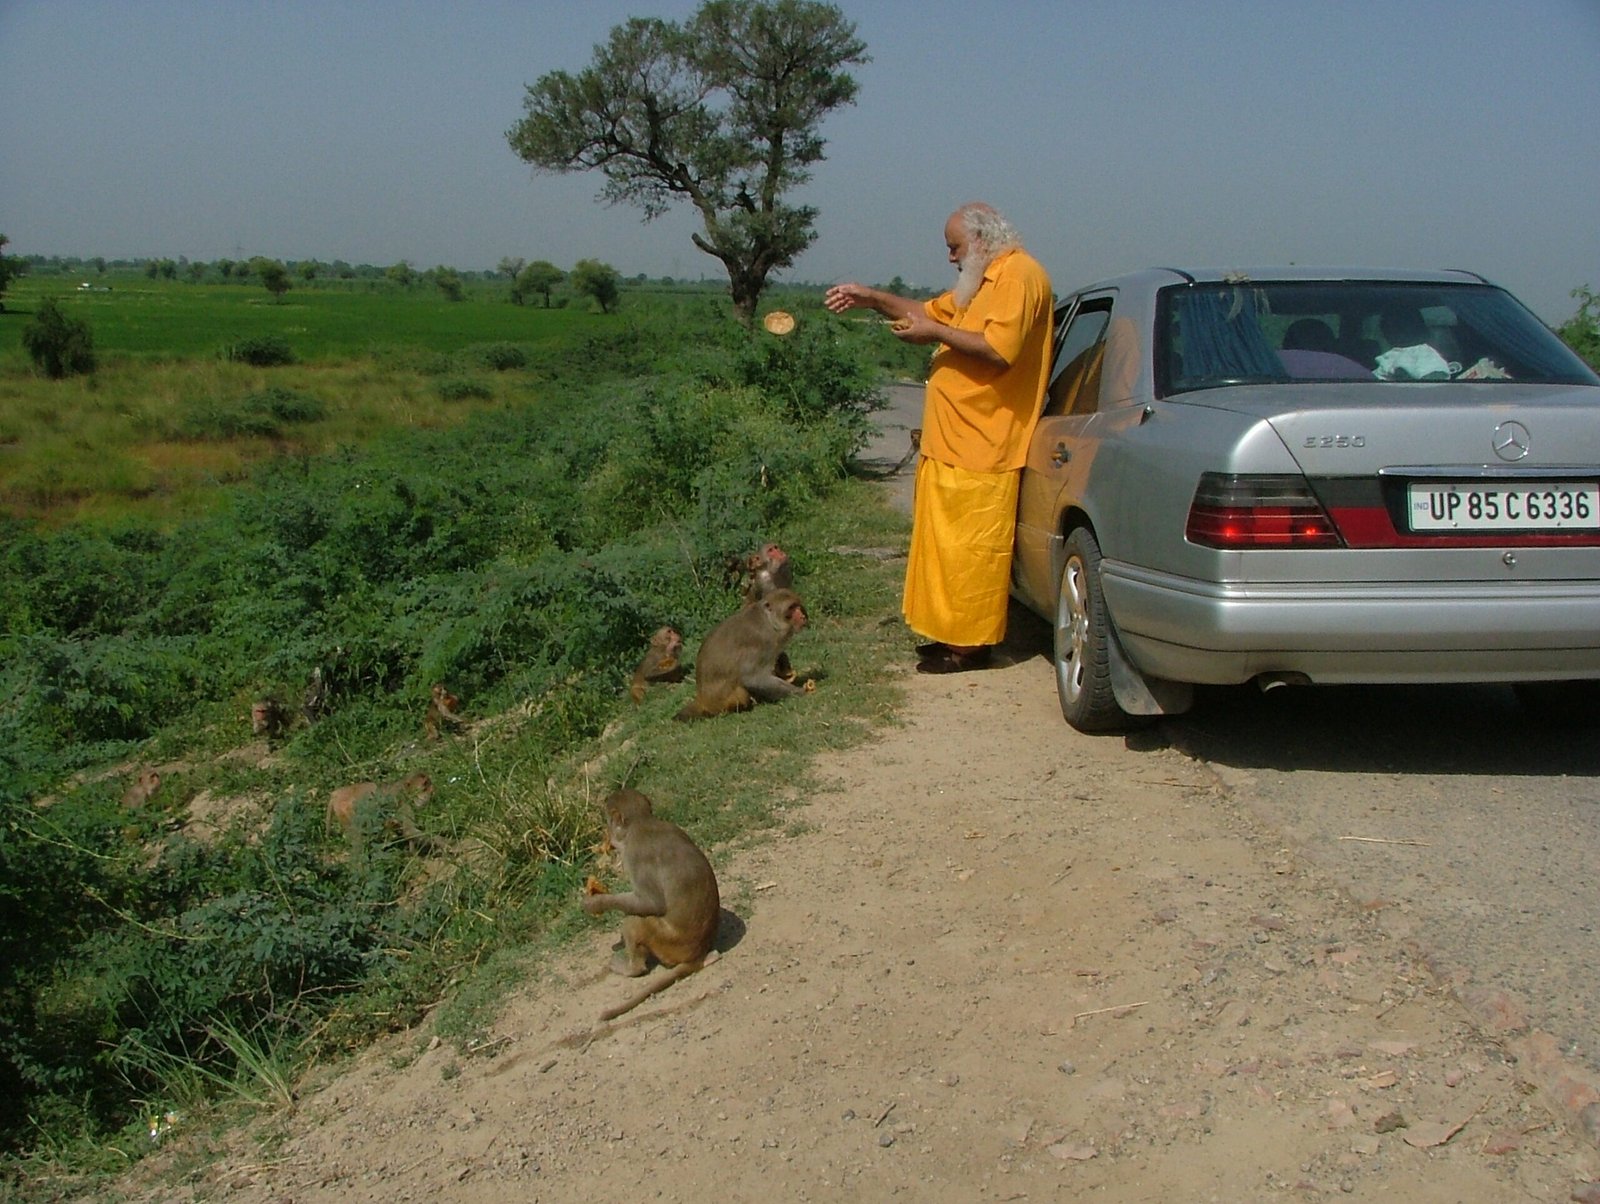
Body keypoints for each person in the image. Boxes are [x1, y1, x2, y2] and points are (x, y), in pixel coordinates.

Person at [825, 202, 1053, 673]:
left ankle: (971, 647)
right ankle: (952, 635)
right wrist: (873, 298)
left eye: (955, 248)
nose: (951, 258)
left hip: (986, 442)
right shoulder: (982, 282)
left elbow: (998, 350)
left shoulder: (1019, 276)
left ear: (983, 239)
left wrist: (935, 334)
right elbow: (926, 311)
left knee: (972, 552)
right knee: (946, 548)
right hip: (953, 442)